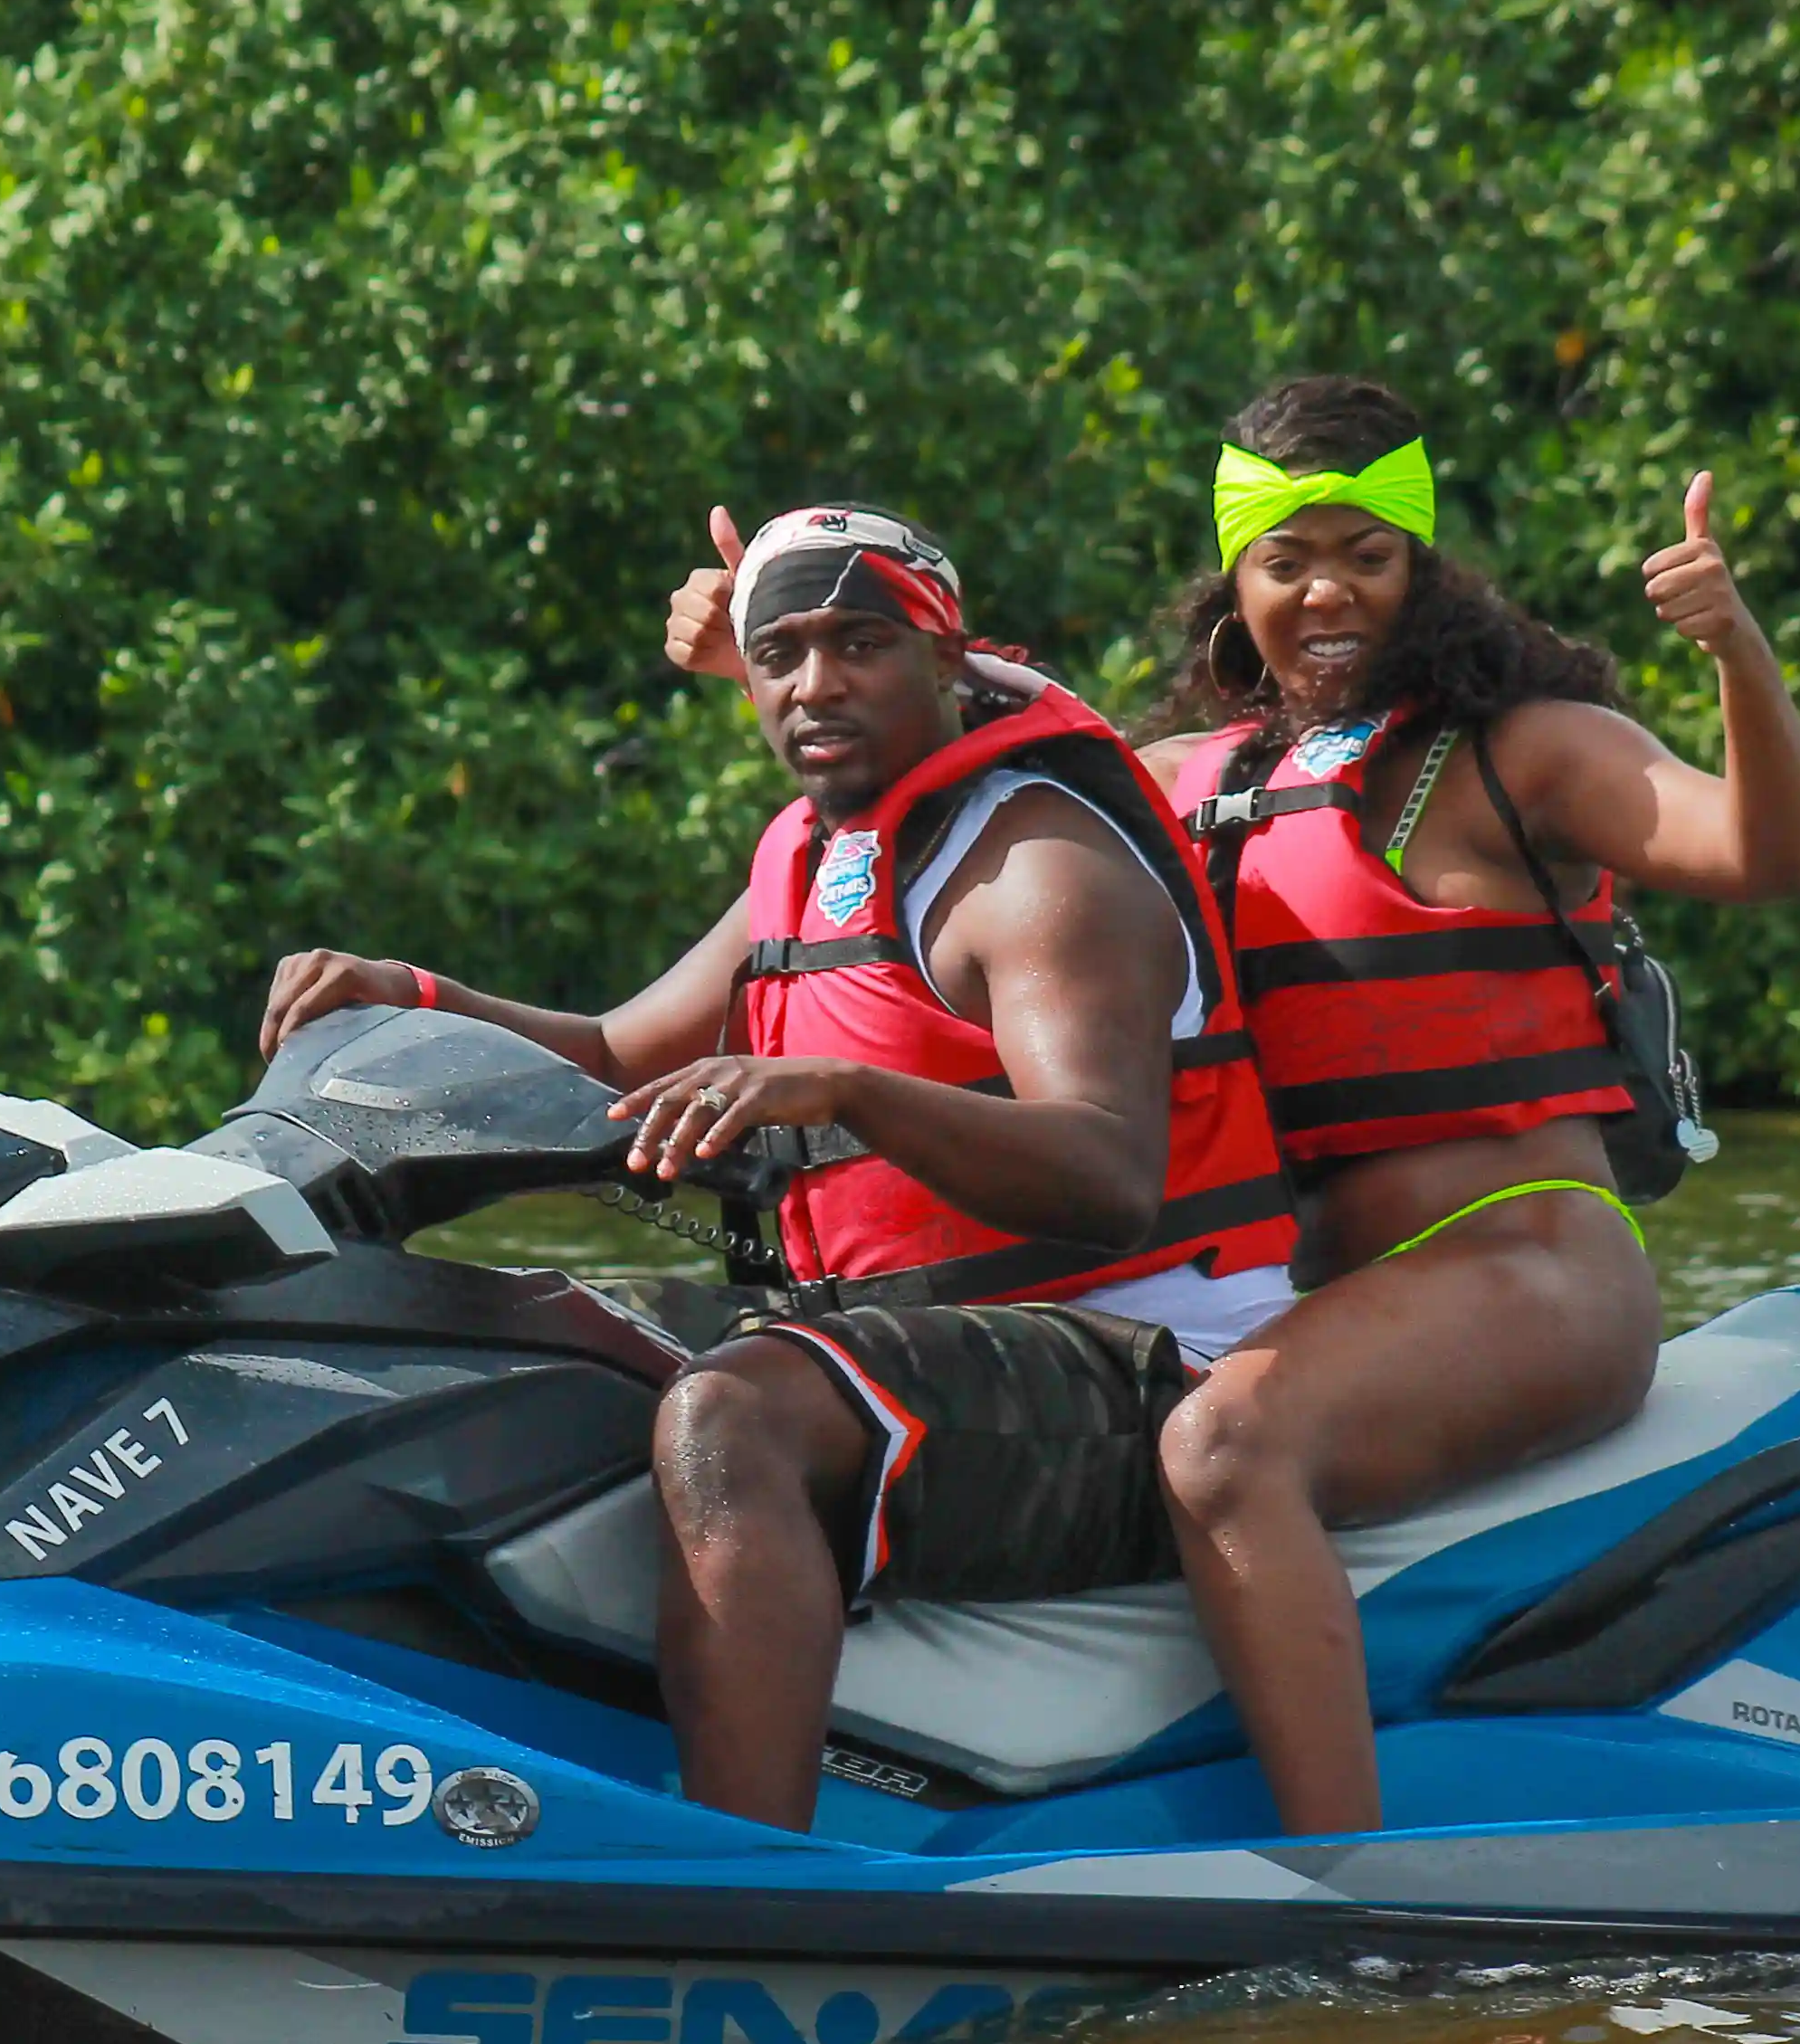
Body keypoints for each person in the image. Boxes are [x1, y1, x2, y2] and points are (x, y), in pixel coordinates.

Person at [662, 378, 1800, 1833]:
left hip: (1529, 1262)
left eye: (1366, 554)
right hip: (1309, 1293)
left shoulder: (1519, 750)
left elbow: (1762, 854)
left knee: (1226, 1448)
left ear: (1424, 568)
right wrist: (775, 648)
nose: (1325, 590)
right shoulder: (1181, 778)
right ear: (1238, 583)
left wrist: (1736, 651)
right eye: (1286, 562)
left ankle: (1341, 1889)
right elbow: (956, 709)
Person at [262, 506, 1295, 1829]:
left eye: (861, 642)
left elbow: (1107, 1172)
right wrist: (407, 992)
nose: (815, 683)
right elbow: (615, 1050)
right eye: (784, 651)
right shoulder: (816, 853)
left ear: (948, 659)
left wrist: (849, 1087)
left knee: (727, 1417)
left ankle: (742, 1875)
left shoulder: (1035, 869)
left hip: (1150, 1357)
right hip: (925, 1339)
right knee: (530, 1352)